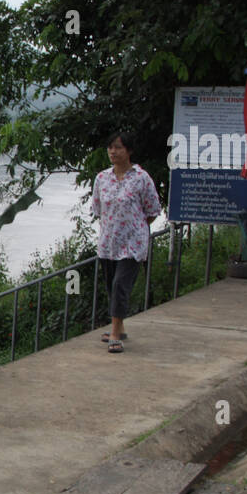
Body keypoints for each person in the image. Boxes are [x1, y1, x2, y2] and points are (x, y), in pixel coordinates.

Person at [91, 132, 161, 353]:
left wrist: (135, 227)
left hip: (132, 244)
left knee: (121, 284)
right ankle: (119, 327)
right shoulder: (102, 178)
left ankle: (114, 334)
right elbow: (97, 209)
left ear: (129, 151)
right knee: (112, 285)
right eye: (110, 147)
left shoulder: (141, 178)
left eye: (118, 147)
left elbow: (152, 210)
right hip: (108, 243)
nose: (113, 152)